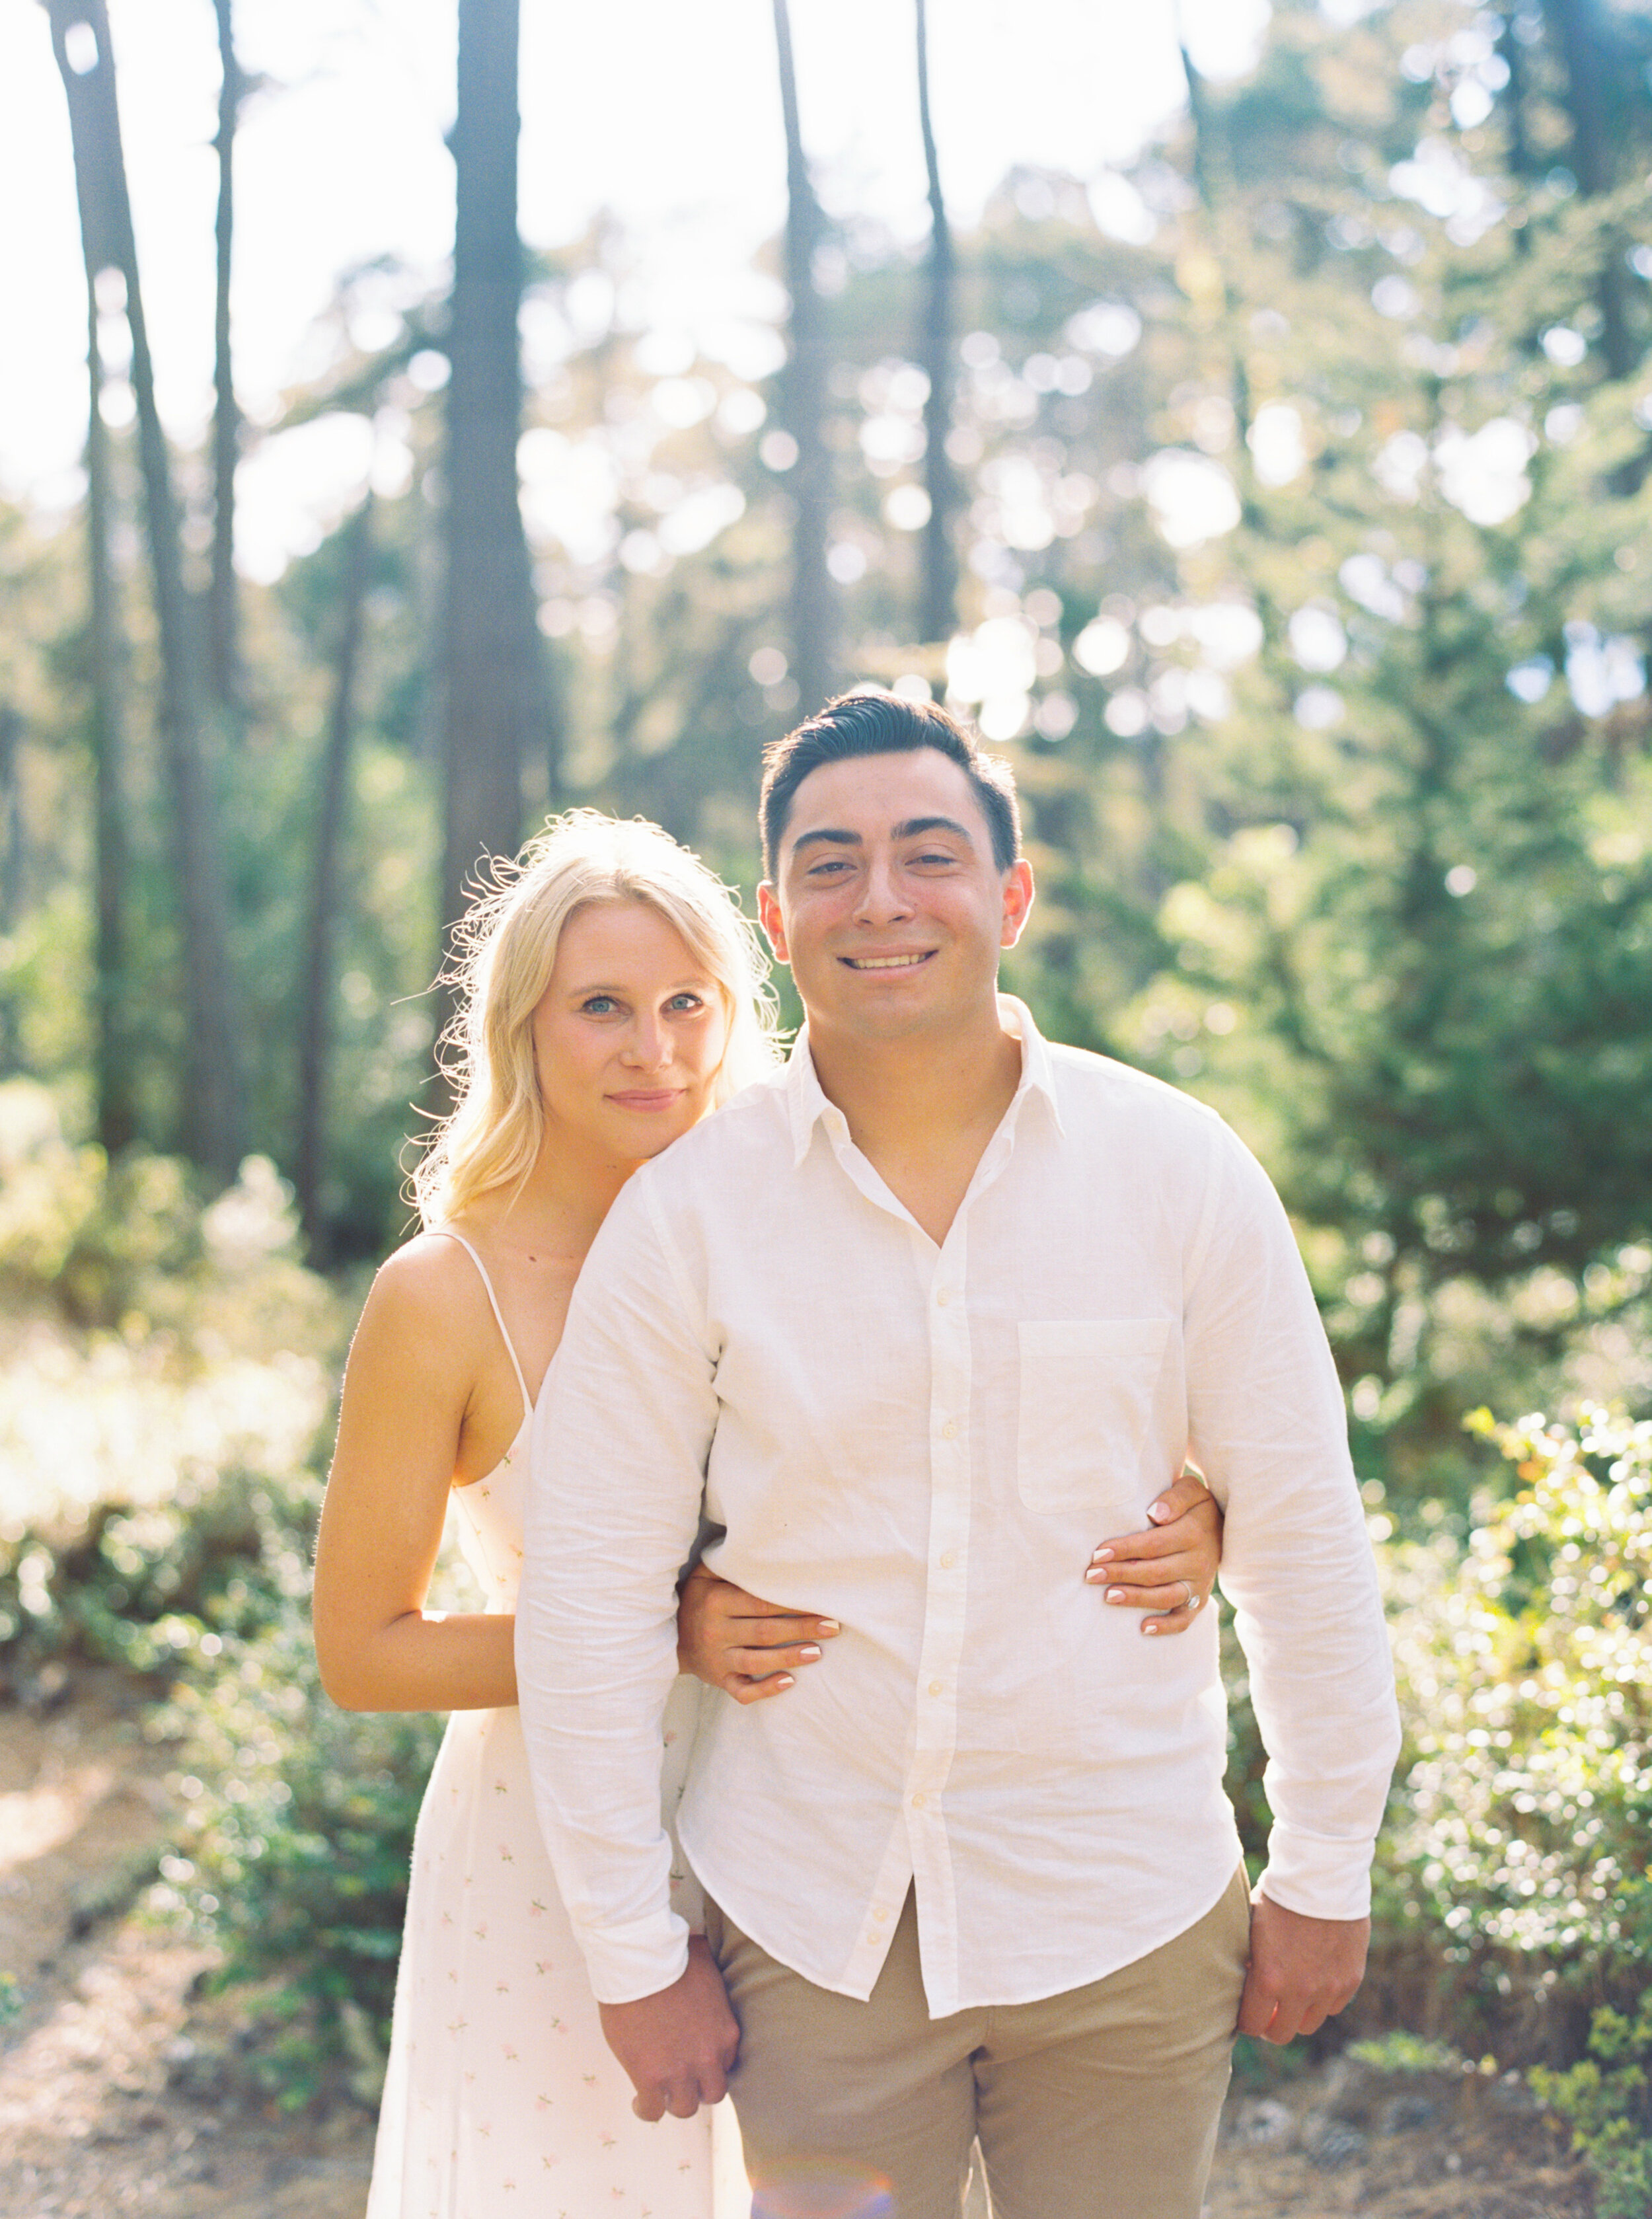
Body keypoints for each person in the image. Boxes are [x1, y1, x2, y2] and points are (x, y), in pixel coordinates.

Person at [515, 700, 1402, 2219]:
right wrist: (630, 1946)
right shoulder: (688, 1217)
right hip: (809, 1923)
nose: (881, 898)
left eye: (927, 855)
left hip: (1122, 1907)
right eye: (831, 863)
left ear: (1006, 897)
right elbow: (589, 1590)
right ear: (776, 917)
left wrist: (1324, 1859)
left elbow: (1300, 1528)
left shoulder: (1177, 1169)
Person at [311, 808, 1222, 2218]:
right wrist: (647, 1634)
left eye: (689, 1003)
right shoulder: (444, 1295)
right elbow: (363, 1648)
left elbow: (976, 1435)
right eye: (601, 1006)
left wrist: (1203, 1514)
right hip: (560, 1840)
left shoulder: (795, 1215)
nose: (653, 1049)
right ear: (520, 1026)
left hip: (830, 1813)